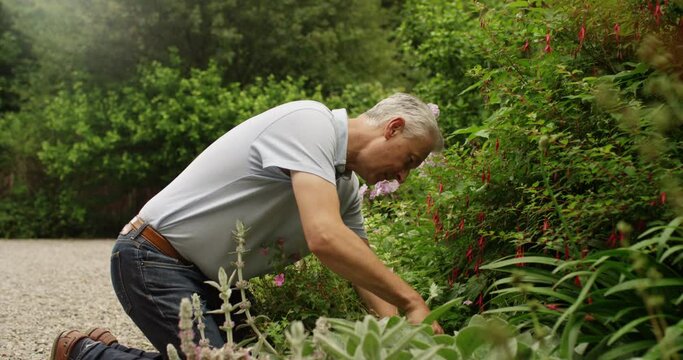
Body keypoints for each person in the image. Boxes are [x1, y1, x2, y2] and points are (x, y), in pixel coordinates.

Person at [51, 93, 444, 360]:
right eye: (409, 159)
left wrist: (402, 340)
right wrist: (413, 302)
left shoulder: (344, 187)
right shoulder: (311, 124)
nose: (404, 175)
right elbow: (325, 237)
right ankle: (87, 353)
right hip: (153, 258)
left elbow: (362, 268)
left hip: (215, 285)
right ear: (392, 128)